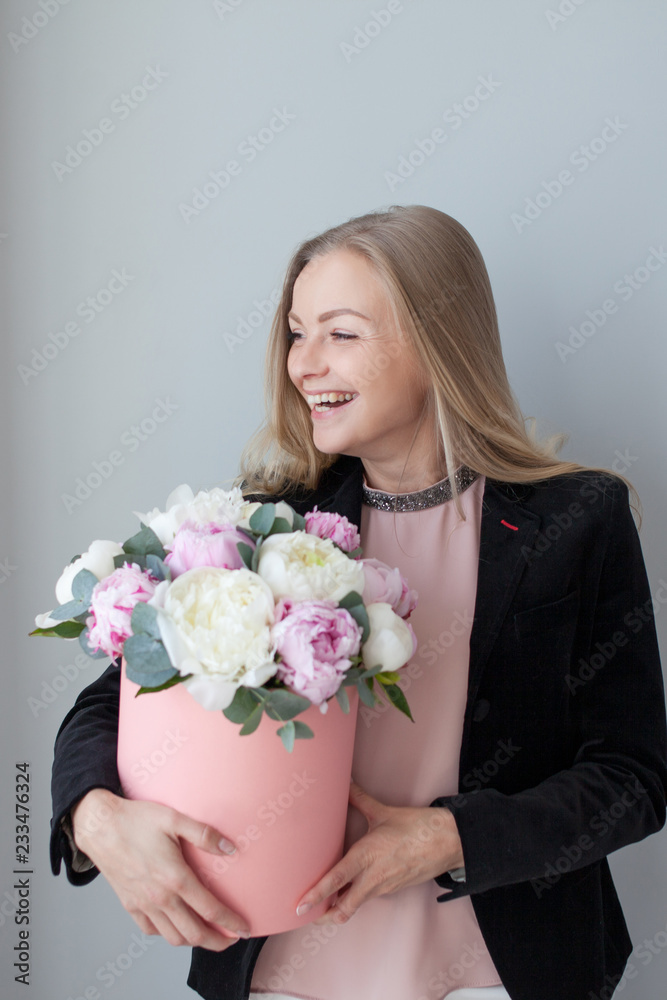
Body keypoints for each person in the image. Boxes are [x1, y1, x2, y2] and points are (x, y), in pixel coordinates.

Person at [50, 205, 667, 1000]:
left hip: (503, 975)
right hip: (279, 969)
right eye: (296, 334)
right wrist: (92, 819)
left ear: (438, 340)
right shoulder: (264, 521)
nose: (303, 363)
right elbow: (112, 703)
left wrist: (448, 837)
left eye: (340, 333)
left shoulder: (579, 519)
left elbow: (634, 776)